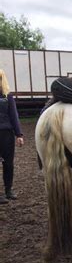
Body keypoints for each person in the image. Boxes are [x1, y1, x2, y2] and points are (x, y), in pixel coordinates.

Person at [0, 69, 24, 204]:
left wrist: (19, 134)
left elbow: (14, 116)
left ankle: (9, 190)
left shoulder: (8, 96)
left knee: (8, 164)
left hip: (7, 134)